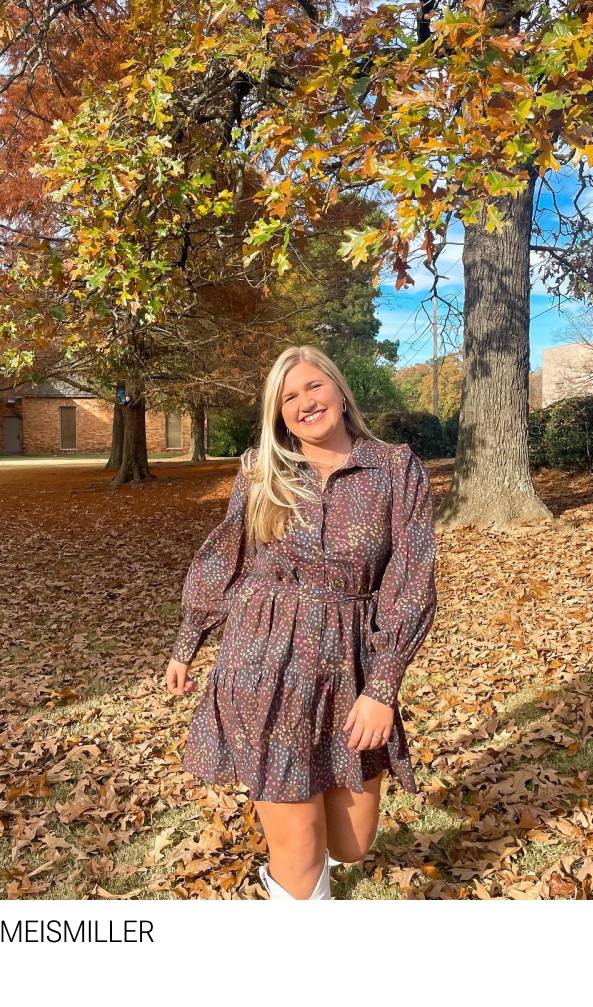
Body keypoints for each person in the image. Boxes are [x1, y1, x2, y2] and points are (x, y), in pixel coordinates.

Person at [164, 345, 438, 900]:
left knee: (352, 844)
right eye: (288, 397)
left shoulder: (393, 468)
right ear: (277, 414)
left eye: (313, 387)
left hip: (351, 667)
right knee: (303, 852)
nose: (305, 403)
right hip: (265, 661)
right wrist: (187, 641)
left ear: (339, 389)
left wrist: (382, 685)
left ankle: (307, 873)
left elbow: (412, 577)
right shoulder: (262, 473)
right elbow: (225, 556)